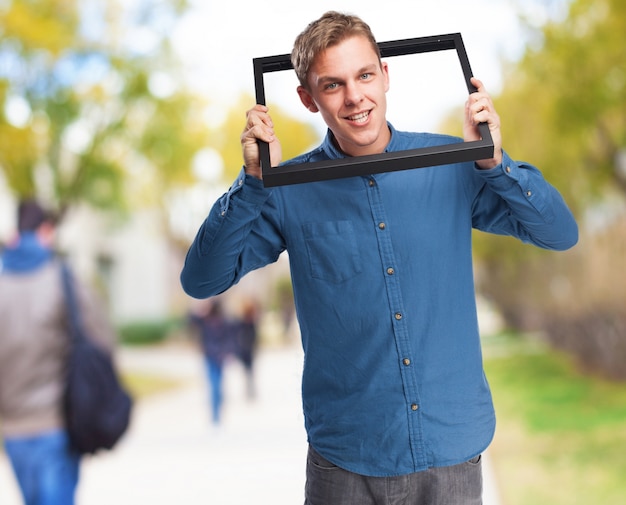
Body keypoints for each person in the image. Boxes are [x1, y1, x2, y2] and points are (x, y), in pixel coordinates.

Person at [180, 11, 578, 505]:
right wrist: (253, 184)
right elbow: (201, 280)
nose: (354, 97)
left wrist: (497, 163)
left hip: (451, 451)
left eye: (365, 75)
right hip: (347, 462)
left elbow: (560, 233)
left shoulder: (455, 165)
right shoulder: (288, 190)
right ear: (308, 98)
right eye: (332, 84)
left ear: (385, 75)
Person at [0, 199, 117, 505]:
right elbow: (101, 341)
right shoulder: (62, 279)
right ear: (46, 231)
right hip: (57, 421)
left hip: (12, 427)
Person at [188, 299, 235, 424]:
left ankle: (217, 411)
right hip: (210, 356)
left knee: (218, 386)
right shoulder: (204, 320)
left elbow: (229, 339)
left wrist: (228, 353)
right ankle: (215, 415)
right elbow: (189, 319)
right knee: (214, 384)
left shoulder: (224, 321)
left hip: (219, 357)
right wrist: (199, 309)